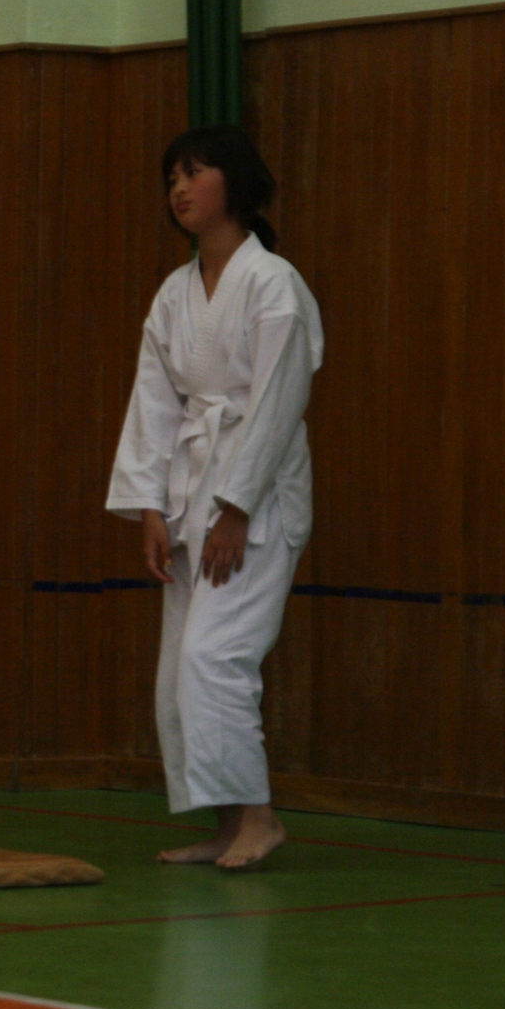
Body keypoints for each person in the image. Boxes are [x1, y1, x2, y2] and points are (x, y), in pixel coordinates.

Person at [105, 125, 323, 871]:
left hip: (254, 502)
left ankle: (259, 817)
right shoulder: (175, 292)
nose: (178, 188)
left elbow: (278, 404)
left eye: (193, 173)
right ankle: (230, 824)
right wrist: (150, 506)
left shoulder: (274, 284)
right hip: (191, 492)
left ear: (234, 183)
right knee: (180, 672)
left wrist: (237, 506)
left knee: (214, 656)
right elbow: (154, 401)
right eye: (171, 177)